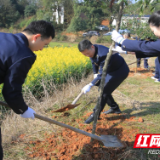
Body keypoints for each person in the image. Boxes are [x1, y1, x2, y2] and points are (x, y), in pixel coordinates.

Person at [0, 20, 55, 159]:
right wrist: (23, 109)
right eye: (45, 44)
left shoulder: (3, 36)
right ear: (36, 37)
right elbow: (11, 90)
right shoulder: (24, 54)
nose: (42, 49)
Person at [78, 40, 129, 124]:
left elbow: (102, 73)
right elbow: (93, 62)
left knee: (104, 91)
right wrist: (95, 73)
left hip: (119, 71)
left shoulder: (104, 54)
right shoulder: (92, 51)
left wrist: (90, 84)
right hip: (110, 70)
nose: (87, 56)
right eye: (85, 55)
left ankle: (95, 114)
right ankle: (114, 108)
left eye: (88, 53)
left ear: (92, 47)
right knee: (102, 89)